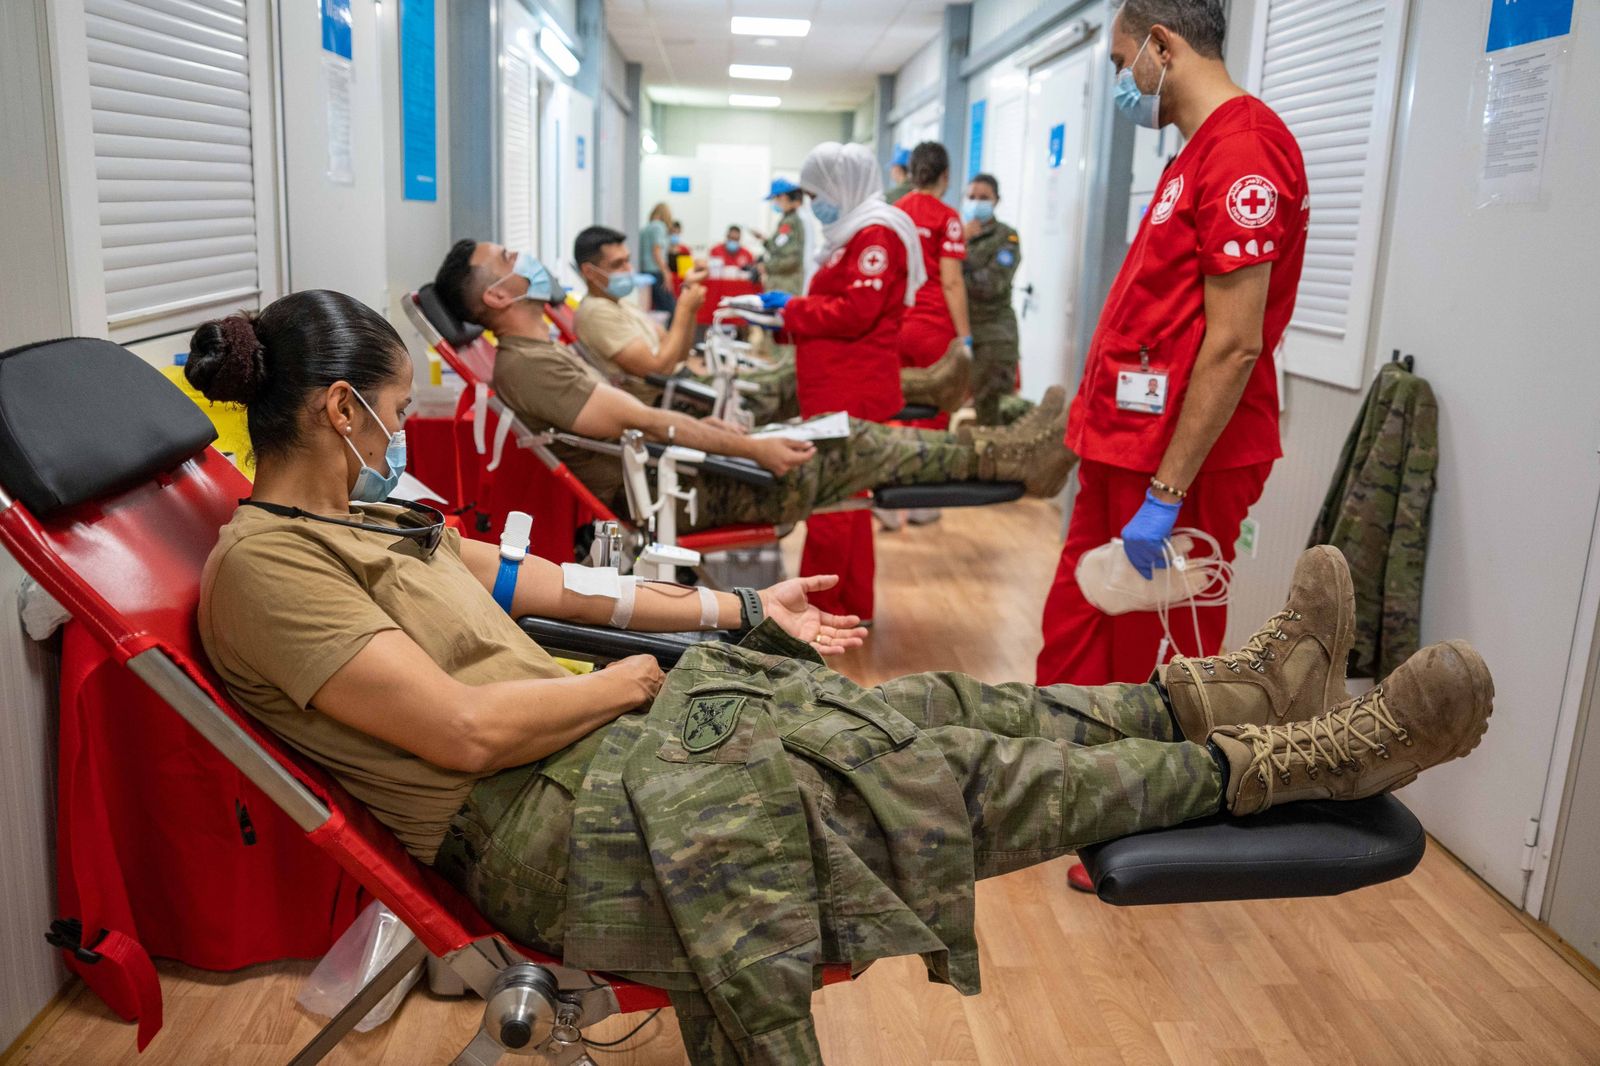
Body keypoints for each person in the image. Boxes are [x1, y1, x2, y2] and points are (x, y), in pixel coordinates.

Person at [185, 288, 1496, 1063]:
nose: (403, 425)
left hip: (603, 753)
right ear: (340, 410)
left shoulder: (378, 516)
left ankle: (1226, 694)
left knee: (936, 705)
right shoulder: (265, 570)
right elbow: (468, 731)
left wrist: (731, 606)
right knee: (946, 776)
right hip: (547, 827)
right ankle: (1300, 761)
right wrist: (633, 683)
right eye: (393, 405)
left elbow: (550, 588)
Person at [431, 242, 1077, 537]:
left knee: (835, 426)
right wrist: (751, 447)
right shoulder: (528, 366)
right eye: (508, 259)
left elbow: (642, 417)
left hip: (677, 472)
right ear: (497, 297)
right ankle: (1011, 458)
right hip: (673, 491)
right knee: (849, 440)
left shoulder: (538, 351)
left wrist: (733, 437)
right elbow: (647, 421)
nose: (522, 257)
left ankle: (993, 443)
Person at [1037, 0, 1309, 690]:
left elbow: (1236, 343)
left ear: (1160, 46)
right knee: (1076, 637)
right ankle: (1050, 757)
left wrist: (1167, 492)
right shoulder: (1197, 150)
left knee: (1151, 670)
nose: (1121, 80)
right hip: (1129, 443)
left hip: (1178, 459)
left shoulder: (1245, 148)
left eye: (1120, 61)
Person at [751, 141, 926, 619]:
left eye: (816, 195)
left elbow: (856, 312)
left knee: (832, 502)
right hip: (836, 384)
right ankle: (850, 604)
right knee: (849, 500)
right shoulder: (850, 235)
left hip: (853, 388)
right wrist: (782, 319)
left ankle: (816, 610)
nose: (813, 205)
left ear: (841, 186)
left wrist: (793, 308)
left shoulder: (876, 236)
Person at [571, 226, 796, 424]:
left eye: (627, 260)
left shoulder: (620, 304)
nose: (628, 269)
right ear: (589, 272)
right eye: (617, 264)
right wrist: (684, 309)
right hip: (669, 400)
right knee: (787, 386)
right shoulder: (597, 312)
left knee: (790, 376)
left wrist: (689, 297)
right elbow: (658, 370)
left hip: (682, 383)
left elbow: (676, 353)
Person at [895, 142, 971, 433]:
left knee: (899, 407)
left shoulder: (895, 212)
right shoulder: (947, 218)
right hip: (933, 327)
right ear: (946, 175)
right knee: (935, 412)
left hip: (897, 324)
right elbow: (951, 282)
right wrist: (965, 338)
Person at [961, 173, 1033, 427]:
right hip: (962, 335)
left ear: (996, 201)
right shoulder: (958, 234)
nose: (976, 202)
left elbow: (991, 284)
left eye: (984, 198)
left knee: (993, 418)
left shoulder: (1006, 237)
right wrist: (960, 242)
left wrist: (955, 268)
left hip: (994, 338)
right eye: (971, 197)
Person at [757, 178, 807, 295]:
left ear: (784, 197)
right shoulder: (788, 220)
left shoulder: (791, 222)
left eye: (776, 198)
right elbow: (780, 247)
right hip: (782, 283)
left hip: (785, 285)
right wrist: (765, 241)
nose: (775, 202)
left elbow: (791, 258)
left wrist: (766, 267)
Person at [638, 203, 677, 314]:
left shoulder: (646, 228)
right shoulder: (659, 227)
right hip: (656, 271)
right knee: (670, 308)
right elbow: (656, 252)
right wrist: (666, 272)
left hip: (645, 271)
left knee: (656, 307)